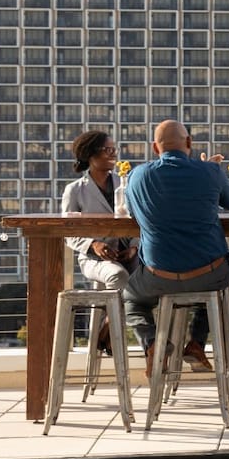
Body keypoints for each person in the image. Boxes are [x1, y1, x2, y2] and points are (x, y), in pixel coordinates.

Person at [122, 120, 229, 374]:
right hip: (209, 274)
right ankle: (196, 343)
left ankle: (153, 343)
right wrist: (214, 171)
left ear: (155, 147)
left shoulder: (137, 176)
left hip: (158, 277)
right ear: (189, 143)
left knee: (131, 299)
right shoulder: (210, 171)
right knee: (219, 288)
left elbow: (132, 211)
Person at [60, 130, 139, 356]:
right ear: (91, 154)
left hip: (128, 253)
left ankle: (104, 331)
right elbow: (68, 232)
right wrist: (93, 244)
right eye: (107, 150)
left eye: (114, 149)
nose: (113, 154)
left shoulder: (126, 184)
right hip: (94, 258)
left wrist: (134, 246)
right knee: (118, 276)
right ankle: (112, 332)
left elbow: (138, 220)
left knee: (149, 276)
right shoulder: (75, 190)